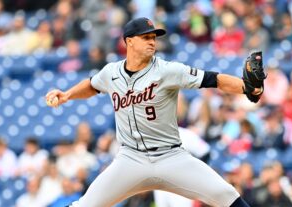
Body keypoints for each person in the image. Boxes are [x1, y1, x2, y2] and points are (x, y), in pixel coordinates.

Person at [46, 17, 264, 207]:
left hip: (170, 156)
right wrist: (67, 95)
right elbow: (92, 85)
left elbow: (213, 78)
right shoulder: (111, 72)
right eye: (145, 37)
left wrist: (246, 87)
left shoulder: (167, 70)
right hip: (130, 159)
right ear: (129, 41)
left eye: (153, 37)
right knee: (84, 205)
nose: (152, 42)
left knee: (227, 195)